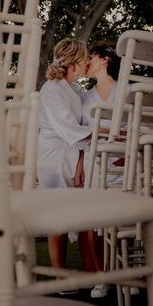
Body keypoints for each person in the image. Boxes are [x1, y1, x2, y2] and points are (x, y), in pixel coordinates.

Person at [37, 39, 91, 271]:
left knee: (76, 216)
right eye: (85, 58)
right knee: (57, 220)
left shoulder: (75, 90)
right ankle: (60, 276)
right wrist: (104, 133)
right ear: (76, 63)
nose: (88, 61)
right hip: (55, 159)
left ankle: (78, 272)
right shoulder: (52, 89)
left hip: (72, 155)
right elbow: (69, 128)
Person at [76, 41, 122, 298]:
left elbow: (145, 123)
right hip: (93, 164)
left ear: (105, 60)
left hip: (122, 163)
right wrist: (80, 167)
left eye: (90, 58)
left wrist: (129, 153)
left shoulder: (126, 90)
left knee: (123, 221)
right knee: (94, 222)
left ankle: (128, 275)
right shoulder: (84, 99)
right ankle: (102, 280)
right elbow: (81, 136)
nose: (85, 63)